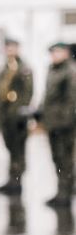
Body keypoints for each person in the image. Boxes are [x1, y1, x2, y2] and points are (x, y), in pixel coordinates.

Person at [0, 37, 34, 196]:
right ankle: (11, 178)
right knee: (10, 147)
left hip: (18, 116)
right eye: (8, 48)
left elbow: (28, 92)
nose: (10, 51)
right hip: (6, 115)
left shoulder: (24, 68)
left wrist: (21, 111)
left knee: (19, 149)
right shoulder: (4, 68)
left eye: (13, 47)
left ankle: (17, 180)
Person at [41, 41, 75, 207]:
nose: (54, 55)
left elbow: (72, 100)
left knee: (65, 159)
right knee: (57, 158)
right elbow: (48, 96)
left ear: (66, 53)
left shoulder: (70, 71)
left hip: (64, 125)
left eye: (57, 52)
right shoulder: (52, 70)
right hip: (52, 122)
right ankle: (61, 191)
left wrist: (66, 122)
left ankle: (66, 193)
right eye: (52, 52)